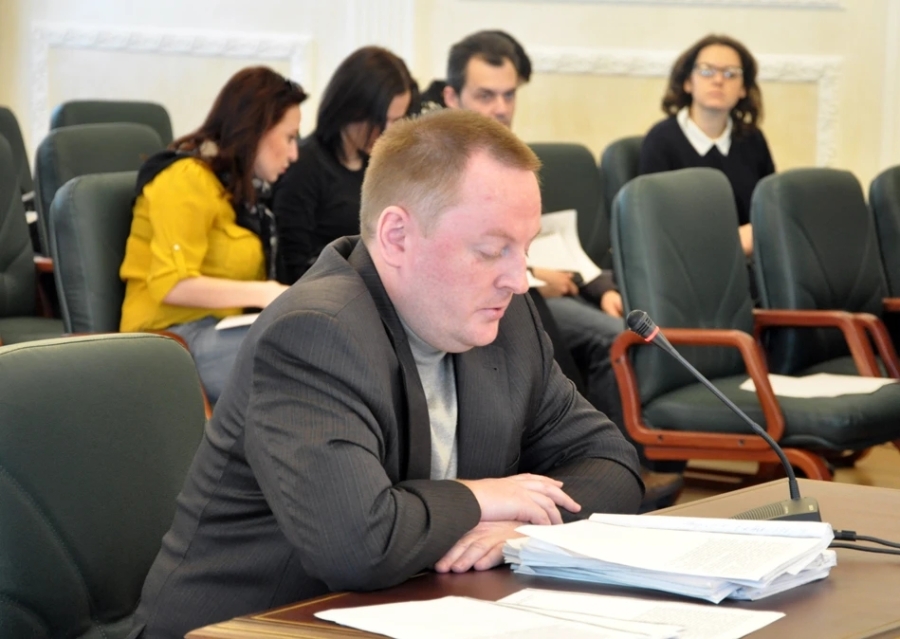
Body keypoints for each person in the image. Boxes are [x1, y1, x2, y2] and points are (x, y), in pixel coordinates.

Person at [128, 109, 643, 639]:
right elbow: (357, 545)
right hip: (249, 626)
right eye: (493, 250)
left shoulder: (506, 321)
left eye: (526, 248)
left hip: (409, 613)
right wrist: (483, 497)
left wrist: (520, 528)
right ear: (396, 236)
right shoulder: (314, 333)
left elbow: (612, 461)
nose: (517, 279)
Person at [119, 67, 306, 405]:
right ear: (258, 130)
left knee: (316, 341)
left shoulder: (240, 195)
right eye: (289, 138)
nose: (294, 153)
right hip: (165, 343)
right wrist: (266, 292)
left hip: (215, 333)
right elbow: (172, 284)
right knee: (302, 353)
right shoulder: (185, 178)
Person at [272, 46, 414, 283]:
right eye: (384, 120)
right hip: (325, 294)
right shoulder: (304, 166)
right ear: (354, 110)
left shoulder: (377, 165)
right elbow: (293, 268)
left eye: (398, 120)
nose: (390, 132)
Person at [639, 34, 775, 257]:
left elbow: (769, 210)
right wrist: (733, 243)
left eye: (731, 73)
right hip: (683, 262)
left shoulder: (752, 139)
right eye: (706, 71)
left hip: (750, 264)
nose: (719, 80)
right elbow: (652, 224)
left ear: (743, 88)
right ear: (688, 82)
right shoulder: (661, 140)